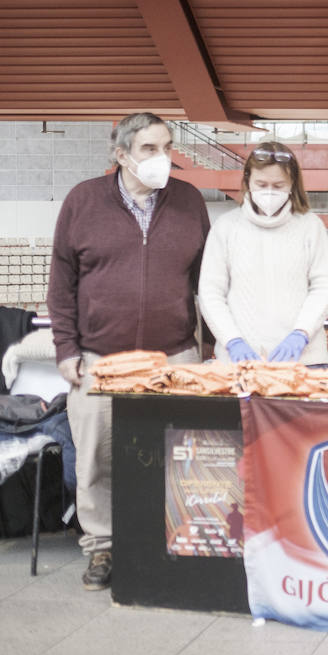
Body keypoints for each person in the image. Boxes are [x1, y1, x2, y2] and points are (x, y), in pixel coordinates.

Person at [48, 112, 211, 590]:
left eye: (167, 147)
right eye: (149, 149)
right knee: (97, 459)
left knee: (179, 456)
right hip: (101, 358)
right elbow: (61, 284)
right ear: (120, 155)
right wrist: (66, 349)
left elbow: (207, 283)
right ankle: (102, 548)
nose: (163, 158)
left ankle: (173, 544)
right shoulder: (83, 201)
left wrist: (213, 350)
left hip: (175, 356)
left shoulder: (189, 201)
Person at [198, 141, 328, 368]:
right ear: (247, 182)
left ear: (293, 184)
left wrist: (301, 333)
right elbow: (211, 292)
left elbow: (323, 286)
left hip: (305, 362)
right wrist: (233, 340)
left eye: (278, 185)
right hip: (239, 361)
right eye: (261, 184)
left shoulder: (311, 226)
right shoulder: (226, 227)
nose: (269, 191)